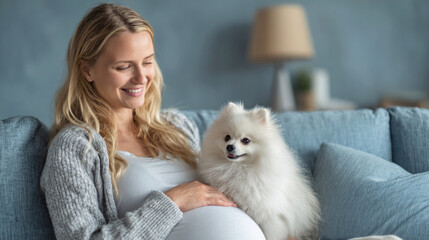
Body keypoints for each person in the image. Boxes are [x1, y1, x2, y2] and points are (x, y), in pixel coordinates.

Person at [40, 3, 266, 240]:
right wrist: (173, 201)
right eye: (124, 66)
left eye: (147, 62)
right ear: (87, 70)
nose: (141, 78)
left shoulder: (177, 126)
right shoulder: (73, 148)